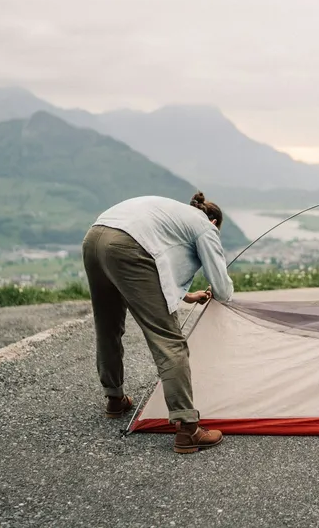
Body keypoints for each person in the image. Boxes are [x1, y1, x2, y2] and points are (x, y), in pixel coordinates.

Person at [81, 191, 234, 454]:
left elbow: (157, 265)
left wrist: (186, 296)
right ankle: (188, 429)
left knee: (108, 326)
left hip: (95, 237)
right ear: (214, 222)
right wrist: (219, 287)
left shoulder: (174, 214)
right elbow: (223, 290)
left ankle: (115, 399)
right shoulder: (205, 228)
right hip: (126, 245)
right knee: (169, 340)